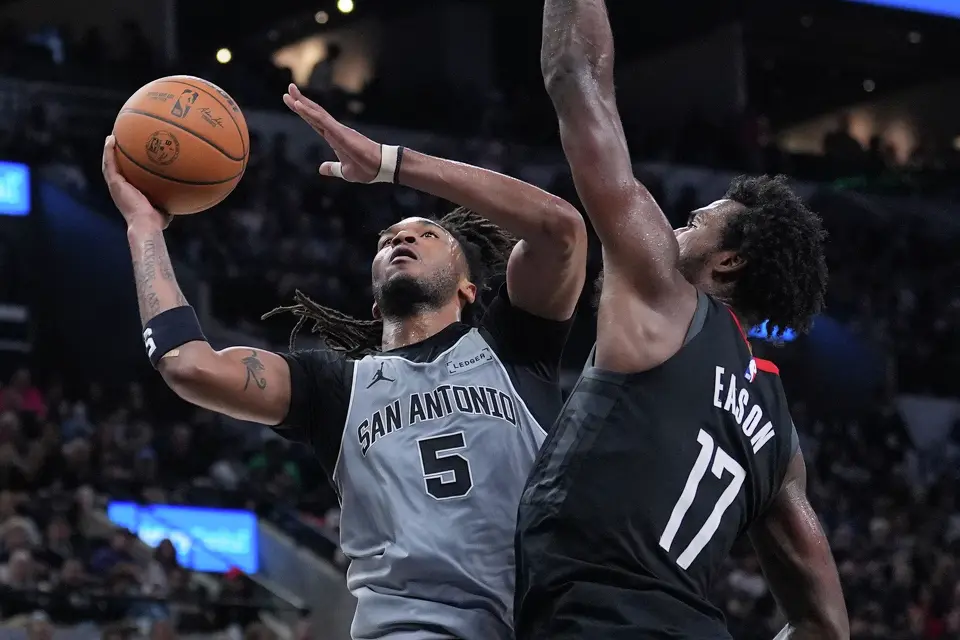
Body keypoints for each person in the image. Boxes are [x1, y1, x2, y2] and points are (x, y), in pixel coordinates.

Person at [101, 81, 587, 640]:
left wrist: (389, 163)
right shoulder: (334, 387)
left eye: (427, 234)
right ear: (375, 296)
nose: (401, 240)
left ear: (470, 288)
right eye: (387, 241)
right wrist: (143, 227)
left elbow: (562, 231)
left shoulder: (512, 347)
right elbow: (187, 364)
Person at [513, 2, 849, 639]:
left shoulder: (665, 294)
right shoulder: (781, 442)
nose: (673, 225)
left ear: (727, 262)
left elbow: (576, 80)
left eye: (694, 221)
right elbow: (826, 627)